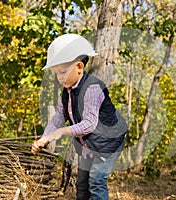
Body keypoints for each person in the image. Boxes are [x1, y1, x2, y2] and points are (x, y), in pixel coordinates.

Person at [31, 33, 128, 200]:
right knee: (82, 182)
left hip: (109, 142)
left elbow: (89, 124)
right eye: (56, 73)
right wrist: (45, 138)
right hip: (90, 144)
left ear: (79, 67)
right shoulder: (67, 91)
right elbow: (59, 117)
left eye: (63, 72)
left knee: (96, 180)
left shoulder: (92, 88)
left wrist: (61, 132)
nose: (59, 77)